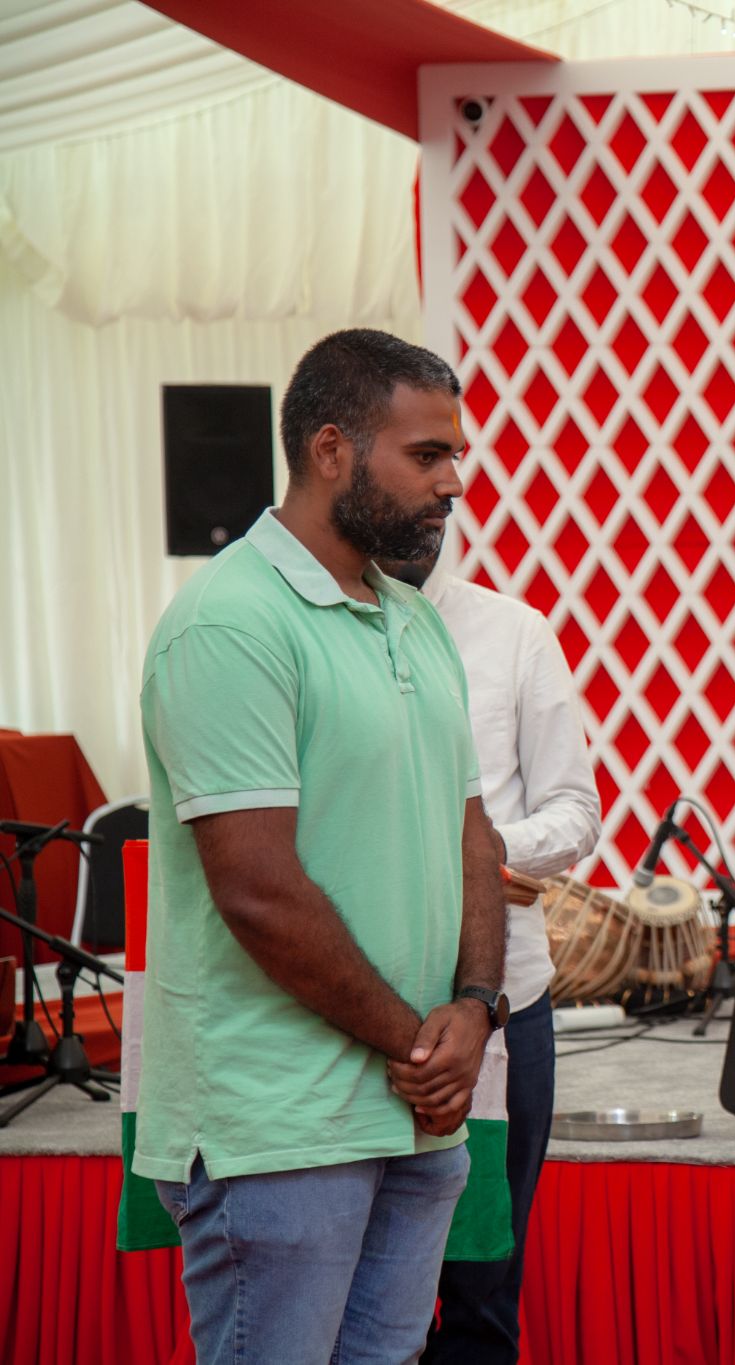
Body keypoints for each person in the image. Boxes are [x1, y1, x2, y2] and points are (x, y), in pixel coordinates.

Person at [136, 329, 509, 1365]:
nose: (453, 483)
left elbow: (471, 834)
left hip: (413, 1115)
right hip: (277, 1128)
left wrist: (477, 1005)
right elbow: (258, 889)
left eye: (453, 455)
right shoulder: (229, 624)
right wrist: (421, 1046)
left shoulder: (415, 622)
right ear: (332, 449)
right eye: (426, 455)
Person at [379, 547, 603, 1364]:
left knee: (481, 1290)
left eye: (447, 498)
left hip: (506, 1009)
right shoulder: (306, 634)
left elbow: (575, 811)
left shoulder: (513, 631)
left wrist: (479, 852)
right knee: (364, 1288)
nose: (441, 498)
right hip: (353, 1006)